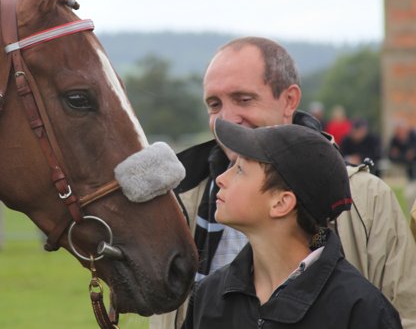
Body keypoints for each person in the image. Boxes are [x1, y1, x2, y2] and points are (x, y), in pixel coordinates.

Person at [149, 36, 416, 329]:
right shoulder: (181, 202)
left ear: (289, 100)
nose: (226, 118)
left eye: (243, 99)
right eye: (214, 104)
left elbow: (404, 315)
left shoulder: (367, 199)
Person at [182, 119, 402, 328]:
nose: (221, 178)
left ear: (281, 203)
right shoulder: (207, 296)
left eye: (240, 170)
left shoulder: (361, 310)